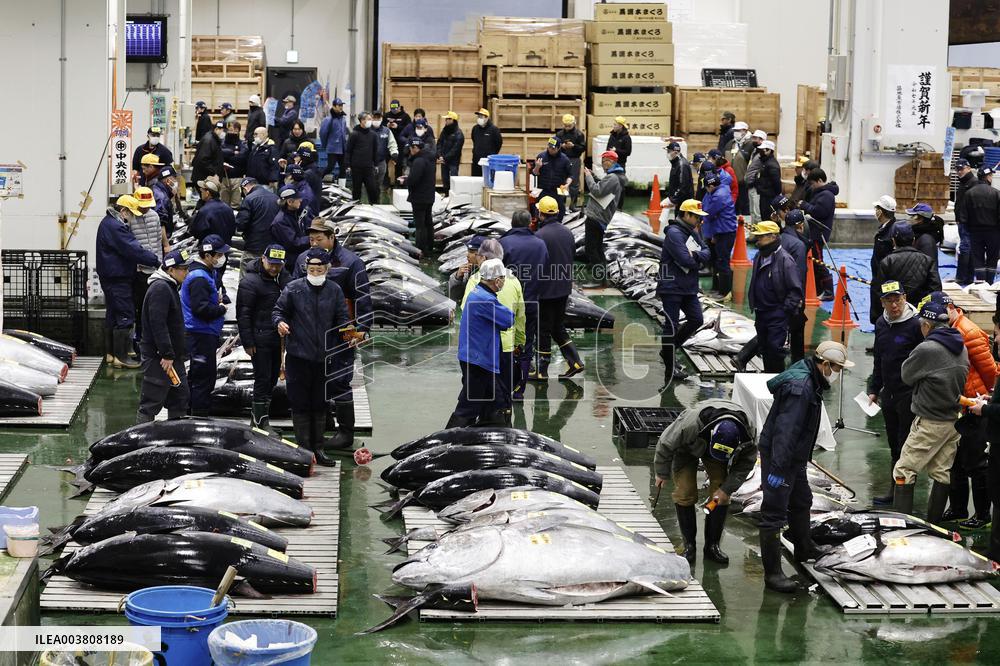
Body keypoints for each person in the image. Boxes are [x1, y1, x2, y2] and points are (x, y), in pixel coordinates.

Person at [757, 341, 851, 592]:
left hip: (793, 458)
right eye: (837, 368)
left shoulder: (810, 376)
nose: (838, 373)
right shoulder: (801, 389)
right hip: (782, 457)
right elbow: (785, 432)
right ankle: (773, 575)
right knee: (773, 514)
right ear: (825, 364)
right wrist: (777, 469)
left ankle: (804, 547)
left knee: (802, 500)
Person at [292, 218, 373, 449]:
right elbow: (293, 292)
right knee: (316, 380)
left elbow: (362, 297)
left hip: (340, 333)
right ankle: (324, 423)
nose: (314, 243)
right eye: (311, 239)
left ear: (331, 237)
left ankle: (346, 433)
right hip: (310, 333)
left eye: (319, 238)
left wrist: (362, 329)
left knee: (339, 380)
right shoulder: (302, 259)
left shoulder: (351, 262)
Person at [892, 296, 970, 524]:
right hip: (953, 420)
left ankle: (900, 527)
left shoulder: (927, 348)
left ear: (926, 325)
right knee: (941, 472)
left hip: (930, 421)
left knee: (904, 470)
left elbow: (906, 375)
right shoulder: (961, 345)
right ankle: (932, 526)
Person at [273, 247, 352, 466]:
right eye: (311, 269)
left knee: (320, 404)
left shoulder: (335, 290)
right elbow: (278, 311)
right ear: (305, 268)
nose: (315, 273)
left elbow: (342, 318)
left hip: (324, 358)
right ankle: (304, 452)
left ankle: (319, 449)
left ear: (327, 269)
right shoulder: (293, 288)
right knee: (299, 404)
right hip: (298, 357)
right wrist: (279, 323)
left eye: (319, 270)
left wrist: (349, 334)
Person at [653, 400, 757, 564]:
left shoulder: (748, 434)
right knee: (685, 492)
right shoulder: (689, 425)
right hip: (687, 448)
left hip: (719, 452)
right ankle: (689, 546)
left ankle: (712, 546)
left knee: (720, 494)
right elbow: (665, 444)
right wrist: (661, 473)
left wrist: (726, 490)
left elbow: (746, 464)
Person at [939, 292, 997, 528]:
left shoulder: (969, 332)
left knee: (975, 462)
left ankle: (983, 515)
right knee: (957, 460)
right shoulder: (950, 330)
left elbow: (990, 372)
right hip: (963, 404)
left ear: (952, 308)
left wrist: (986, 400)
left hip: (977, 406)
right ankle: (958, 508)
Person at [866, 281, 923, 505]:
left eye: (897, 299)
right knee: (893, 444)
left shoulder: (916, 324)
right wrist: (874, 388)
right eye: (889, 301)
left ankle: (902, 493)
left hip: (909, 393)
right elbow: (879, 358)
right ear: (882, 303)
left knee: (904, 444)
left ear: (905, 298)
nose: (894, 305)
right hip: (888, 393)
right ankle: (895, 488)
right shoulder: (881, 323)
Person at [462, 239, 525, 426]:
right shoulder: (513, 281)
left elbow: (464, 310)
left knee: (487, 396)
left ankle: (490, 428)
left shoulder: (475, 281)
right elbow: (518, 317)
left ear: (483, 258)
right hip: (499, 349)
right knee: (499, 395)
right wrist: (519, 342)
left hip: (481, 350)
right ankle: (500, 428)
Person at [446, 258, 514, 427]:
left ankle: (494, 433)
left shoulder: (477, 292)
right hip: (479, 362)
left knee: (495, 402)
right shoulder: (485, 299)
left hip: (476, 358)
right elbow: (508, 319)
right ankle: (449, 438)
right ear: (496, 280)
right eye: (503, 278)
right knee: (468, 406)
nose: (504, 281)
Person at [96, 195, 160, 368]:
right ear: (123, 210)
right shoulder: (116, 227)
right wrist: (155, 261)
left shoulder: (107, 223)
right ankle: (122, 357)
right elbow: (133, 249)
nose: (132, 217)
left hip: (111, 276)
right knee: (125, 314)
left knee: (113, 314)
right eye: (131, 213)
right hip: (118, 278)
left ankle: (111, 354)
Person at [236, 245, 291, 434]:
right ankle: (260, 424)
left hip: (276, 339)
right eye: (271, 264)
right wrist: (248, 342)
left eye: (278, 265)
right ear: (263, 259)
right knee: (262, 379)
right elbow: (243, 314)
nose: (274, 268)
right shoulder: (250, 282)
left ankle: (260, 419)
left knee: (272, 378)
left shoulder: (283, 279)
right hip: (259, 340)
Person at [530, 196, 584, 381]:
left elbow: (537, 264)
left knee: (543, 329)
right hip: (563, 289)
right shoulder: (568, 233)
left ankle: (541, 370)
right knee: (557, 326)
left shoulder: (539, 236)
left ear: (540, 213)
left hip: (546, 291)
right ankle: (575, 361)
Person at [657, 200, 711, 382]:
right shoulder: (674, 234)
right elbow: (684, 260)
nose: (699, 221)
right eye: (696, 217)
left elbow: (707, 252)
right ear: (686, 215)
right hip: (671, 287)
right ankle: (670, 370)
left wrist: (695, 255)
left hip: (688, 287)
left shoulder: (692, 232)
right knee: (671, 326)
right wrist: (698, 260)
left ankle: (668, 350)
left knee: (696, 319)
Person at [136, 249, 192, 423]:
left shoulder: (170, 286)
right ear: (171, 270)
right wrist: (166, 354)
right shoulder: (160, 288)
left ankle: (175, 435)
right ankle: (141, 436)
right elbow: (158, 324)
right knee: (151, 400)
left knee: (180, 397)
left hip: (173, 357)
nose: (187, 272)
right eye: (183, 269)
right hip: (159, 358)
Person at [500, 210, 550, 400]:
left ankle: (504, 384)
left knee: (504, 341)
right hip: (530, 302)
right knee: (526, 343)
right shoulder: (540, 244)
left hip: (507, 303)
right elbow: (545, 272)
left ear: (512, 223)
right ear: (530, 223)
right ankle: (519, 389)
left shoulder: (504, 243)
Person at [180, 235, 230, 416]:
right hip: (199, 334)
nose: (222, 258)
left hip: (204, 332)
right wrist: (221, 309)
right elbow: (200, 309)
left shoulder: (207, 272)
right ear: (208, 255)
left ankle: (193, 411)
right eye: (219, 255)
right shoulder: (199, 277)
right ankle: (198, 415)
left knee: (202, 375)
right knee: (202, 377)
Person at [747, 221, 803, 373]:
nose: (757, 240)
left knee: (775, 349)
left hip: (777, 313)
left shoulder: (785, 260)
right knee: (764, 348)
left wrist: (784, 310)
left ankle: (777, 381)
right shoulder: (759, 256)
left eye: (761, 237)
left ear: (773, 237)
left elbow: (795, 290)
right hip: (761, 311)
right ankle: (768, 377)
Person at [131, 187, 169, 351]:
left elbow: (158, 240)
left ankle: (152, 340)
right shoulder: (130, 218)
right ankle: (140, 340)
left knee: (154, 308)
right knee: (140, 308)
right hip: (139, 272)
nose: (145, 208)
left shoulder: (154, 216)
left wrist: (160, 260)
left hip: (155, 270)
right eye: (143, 205)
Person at [582, 151, 627, 285]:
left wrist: (588, 177)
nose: (602, 164)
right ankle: (602, 278)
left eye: (604, 161)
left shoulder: (612, 177)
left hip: (596, 216)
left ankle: (598, 280)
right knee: (598, 248)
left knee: (591, 249)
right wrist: (594, 176)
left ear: (610, 161)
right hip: (601, 217)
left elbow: (597, 191)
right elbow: (603, 187)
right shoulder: (615, 176)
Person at [798, 168, 838, 300]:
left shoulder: (826, 195)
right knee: (814, 262)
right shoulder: (820, 193)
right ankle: (818, 288)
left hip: (818, 234)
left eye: (813, 183)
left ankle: (828, 290)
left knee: (818, 262)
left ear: (820, 180)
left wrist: (805, 205)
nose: (812, 186)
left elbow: (819, 212)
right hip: (813, 232)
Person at [878, 223, 941, 307]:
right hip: (921, 309)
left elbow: (879, 291)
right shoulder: (927, 260)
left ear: (893, 241)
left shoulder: (887, 262)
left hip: (895, 309)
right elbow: (935, 288)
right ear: (913, 240)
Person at [960, 165, 1000, 283]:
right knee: (992, 258)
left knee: (978, 258)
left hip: (975, 232)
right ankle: (989, 283)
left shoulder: (969, 193)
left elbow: (964, 216)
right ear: (987, 177)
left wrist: (967, 231)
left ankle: (980, 283)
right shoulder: (996, 193)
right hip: (993, 232)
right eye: (991, 175)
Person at [701, 172, 737, 300]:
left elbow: (707, 212)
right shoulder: (715, 192)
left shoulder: (719, 196)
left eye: (706, 188)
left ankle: (724, 292)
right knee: (716, 261)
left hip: (725, 232)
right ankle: (716, 289)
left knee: (722, 261)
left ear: (710, 186)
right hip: (718, 231)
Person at [236, 177, 280, 274]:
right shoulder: (275, 198)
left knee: (247, 275)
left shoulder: (249, 199)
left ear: (244, 188)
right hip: (272, 245)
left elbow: (241, 223)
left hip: (254, 246)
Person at [780, 210, 809, 363]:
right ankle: (798, 361)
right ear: (800, 225)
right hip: (793, 293)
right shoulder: (798, 245)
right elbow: (800, 273)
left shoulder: (780, 238)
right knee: (797, 326)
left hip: (779, 290)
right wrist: (799, 297)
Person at [869, 195, 899, 325]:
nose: (875, 211)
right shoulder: (885, 228)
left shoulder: (891, 231)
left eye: (877, 209)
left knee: (883, 310)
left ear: (881, 211)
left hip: (884, 279)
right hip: (880, 277)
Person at [404, 138, 436, 255]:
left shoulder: (419, 161)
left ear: (415, 148)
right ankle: (429, 247)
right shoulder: (430, 158)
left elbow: (414, 179)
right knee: (428, 222)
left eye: (411, 148)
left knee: (420, 225)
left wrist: (405, 181)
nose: (410, 150)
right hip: (429, 195)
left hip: (419, 197)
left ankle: (420, 249)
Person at [270, 187, 311, 269]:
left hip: (298, 258)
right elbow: (294, 243)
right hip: (290, 264)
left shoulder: (297, 214)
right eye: (298, 198)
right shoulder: (281, 221)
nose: (301, 200)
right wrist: (312, 239)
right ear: (289, 202)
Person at [532, 137, 573, 219]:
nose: (550, 150)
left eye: (553, 148)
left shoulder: (565, 159)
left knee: (560, 212)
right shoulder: (541, 156)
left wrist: (567, 184)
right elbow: (534, 173)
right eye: (549, 147)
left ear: (559, 148)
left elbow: (570, 175)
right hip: (543, 189)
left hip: (558, 190)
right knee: (539, 211)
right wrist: (537, 167)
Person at [189, 176, 236, 246]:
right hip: (225, 247)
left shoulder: (204, 210)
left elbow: (195, 232)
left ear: (207, 193)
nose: (201, 191)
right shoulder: (228, 208)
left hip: (209, 249)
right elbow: (232, 230)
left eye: (202, 190)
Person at [345, 111, 380, 204]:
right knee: (356, 189)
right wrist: (348, 165)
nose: (370, 121)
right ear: (362, 120)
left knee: (372, 189)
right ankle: (355, 207)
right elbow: (348, 151)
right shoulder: (354, 134)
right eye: (368, 119)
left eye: (370, 119)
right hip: (356, 167)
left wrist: (376, 164)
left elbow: (375, 151)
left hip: (368, 167)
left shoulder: (373, 135)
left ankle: (374, 207)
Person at [554, 114, 585, 209]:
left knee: (574, 183)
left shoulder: (579, 134)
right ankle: (561, 204)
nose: (567, 128)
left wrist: (574, 146)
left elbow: (583, 148)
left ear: (574, 123)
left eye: (569, 126)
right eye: (565, 126)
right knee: (561, 181)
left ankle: (573, 204)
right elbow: (552, 145)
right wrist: (561, 146)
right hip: (561, 159)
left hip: (574, 159)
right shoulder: (559, 134)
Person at [954, 158, 977, 285]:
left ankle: (962, 278)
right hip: (963, 222)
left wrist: (964, 219)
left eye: (961, 169)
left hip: (967, 223)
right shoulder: (964, 182)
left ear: (968, 168)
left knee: (966, 249)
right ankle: (967, 278)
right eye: (957, 169)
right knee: (968, 249)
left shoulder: (973, 183)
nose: (959, 171)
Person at [905, 203, 945, 270]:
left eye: (912, 216)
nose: (909, 219)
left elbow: (930, 268)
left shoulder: (926, 240)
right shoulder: (919, 233)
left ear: (920, 219)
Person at [448, 235, 486, 303]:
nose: (467, 255)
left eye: (471, 252)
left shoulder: (489, 275)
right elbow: (455, 297)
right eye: (468, 251)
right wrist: (457, 277)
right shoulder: (471, 269)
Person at [190, 121, 226, 193]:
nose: (224, 133)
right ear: (216, 129)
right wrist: (214, 173)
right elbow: (203, 160)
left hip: (207, 178)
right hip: (205, 179)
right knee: (207, 198)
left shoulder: (213, 139)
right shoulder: (209, 140)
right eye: (223, 130)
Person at [725, 121, 751, 214]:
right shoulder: (730, 143)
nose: (736, 132)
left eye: (738, 130)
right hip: (731, 181)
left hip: (743, 182)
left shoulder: (751, 144)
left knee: (745, 206)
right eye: (735, 130)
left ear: (745, 131)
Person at [319, 98, 349, 180]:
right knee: (330, 167)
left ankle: (341, 185)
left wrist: (345, 145)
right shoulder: (328, 119)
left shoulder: (343, 119)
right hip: (332, 148)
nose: (341, 107)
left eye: (341, 105)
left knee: (343, 168)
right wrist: (325, 145)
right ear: (334, 106)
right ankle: (318, 179)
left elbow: (345, 133)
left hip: (342, 148)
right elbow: (323, 133)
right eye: (339, 105)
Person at [437, 111, 465, 198]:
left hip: (453, 161)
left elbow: (455, 150)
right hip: (443, 160)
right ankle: (446, 195)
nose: (447, 120)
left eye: (449, 119)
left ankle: (454, 197)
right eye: (446, 119)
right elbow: (439, 143)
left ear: (454, 120)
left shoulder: (459, 134)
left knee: (453, 179)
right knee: (445, 179)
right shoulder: (444, 131)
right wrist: (439, 155)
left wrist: (444, 157)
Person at [219, 122, 246, 208]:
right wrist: (233, 153)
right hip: (224, 177)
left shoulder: (242, 144)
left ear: (239, 131)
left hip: (237, 177)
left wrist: (228, 156)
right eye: (230, 130)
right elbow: (219, 154)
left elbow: (241, 158)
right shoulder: (222, 143)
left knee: (236, 203)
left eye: (235, 130)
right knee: (223, 204)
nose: (233, 132)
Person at [743, 130, 768, 222]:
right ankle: (754, 229)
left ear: (761, 140)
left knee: (757, 212)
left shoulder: (763, 154)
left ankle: (759, 230)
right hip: (750, 184)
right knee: (752, 211)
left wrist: (756, 180)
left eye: (755, 138)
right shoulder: (754, 151)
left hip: (756, 186)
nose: (753, 140)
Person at [384, 99, 412, 182]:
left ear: (399, 107)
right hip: (387, 142)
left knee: (399, 163)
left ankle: (398, 182)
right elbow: (381, 126)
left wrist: (398, 127)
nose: (394, 111)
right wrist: (387, 126)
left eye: (396, 109)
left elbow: (409, 129)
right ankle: (386, 182)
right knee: (385, 162)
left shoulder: (405, 116)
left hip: (400, 143)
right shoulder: (386, 115)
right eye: (392, 109)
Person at [371, 110, 398, 193]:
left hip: (381, 162)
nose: (376, 120)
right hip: (369, 162)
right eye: (374, 118)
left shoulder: (387, 131)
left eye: (378, 118)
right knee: (369, 184)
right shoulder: (367, 130)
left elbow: (392, 144)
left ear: (382, 119)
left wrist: (394, 153)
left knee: (379, 183)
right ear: (371, 118)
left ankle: (376, 198)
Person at [754, 141, 782, 221]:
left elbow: (777, 183)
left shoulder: (772, 165)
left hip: (769, 197)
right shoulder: (765, 162)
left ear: (769, 150)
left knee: (768, 218)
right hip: (764, 194)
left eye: (763, 150)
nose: (760, 152)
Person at [471, 108, 503, 177]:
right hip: (476, 160)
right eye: (478, 116)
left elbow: (499, 143)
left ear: (487, 118)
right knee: (476, 179)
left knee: (487, 178)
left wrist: (492, 153)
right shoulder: (475, 129)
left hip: (488, 161)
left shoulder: (494, 130)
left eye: (481, 116)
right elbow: (474, 140)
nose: (479, 118)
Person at [665, 142, 693, 216]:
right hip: (679, 201)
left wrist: (672, 200)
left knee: (680, 220)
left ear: (675, 152)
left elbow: (683, 186)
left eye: (668, 151)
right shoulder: (675, 163)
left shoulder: (682, 165)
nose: (667, 153)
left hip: (683, 203)